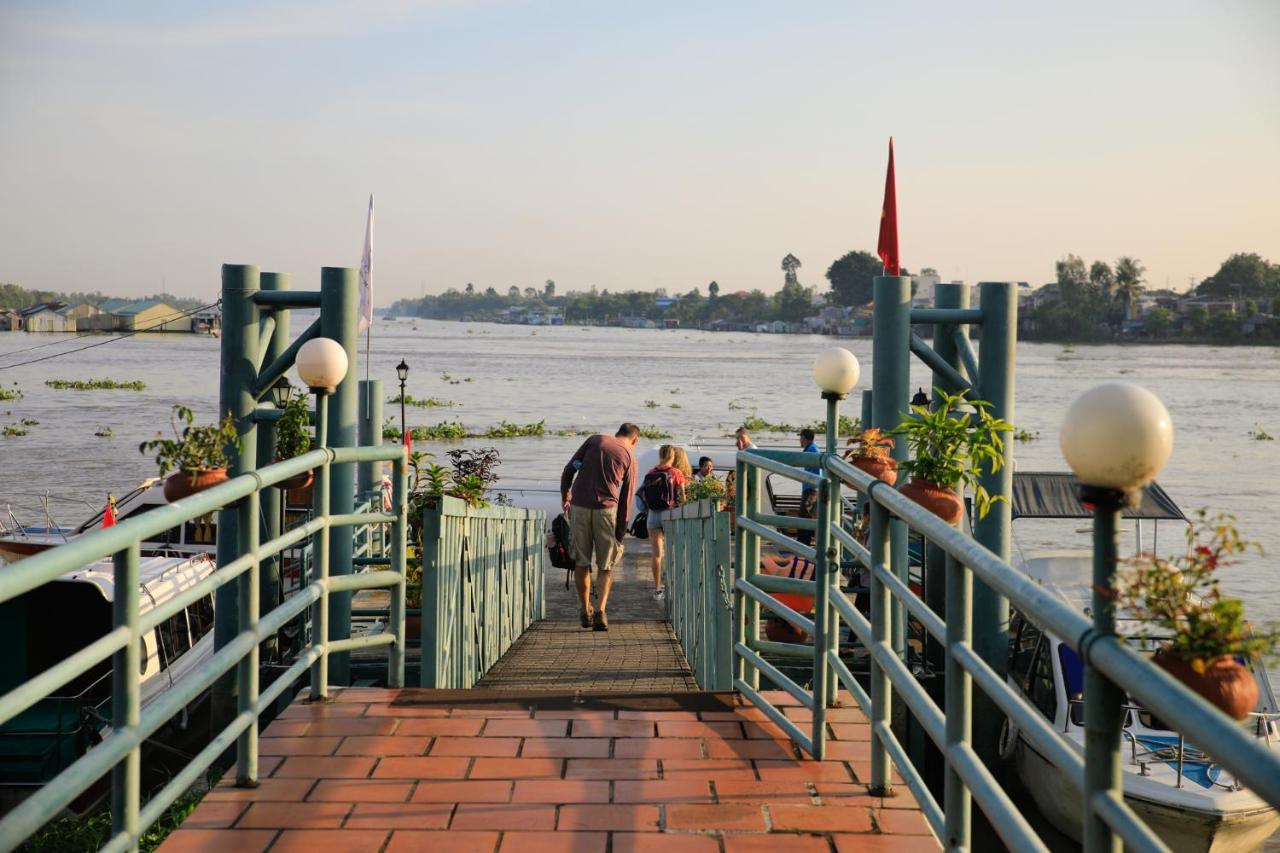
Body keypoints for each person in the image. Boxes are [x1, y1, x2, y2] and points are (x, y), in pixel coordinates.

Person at [561, 423, 640, 631]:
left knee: (581, 561)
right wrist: (621, 530)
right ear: (635, 440)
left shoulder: (595, 440)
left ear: (617, 433)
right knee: (606, 565)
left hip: (579, 507)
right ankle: (600, 611)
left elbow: (569, 470)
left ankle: (584, 608)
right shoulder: (630, 457)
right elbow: (627, 497)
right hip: (607, 511)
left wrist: (565, 496)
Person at [639, 444, 688, 602]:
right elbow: (682, 496)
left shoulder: (651, 472)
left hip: (653, 516)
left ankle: (658, 589)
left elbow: (642, 496)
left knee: (657, 555)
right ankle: (672, 586)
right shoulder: (675, 472)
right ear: (672, 456)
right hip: (670, 514)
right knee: (672, 552)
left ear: (660, 455)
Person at [797, 427, 820, 545]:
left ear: (804, 438)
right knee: (806, 515)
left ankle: (802, 544)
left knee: (805, 515)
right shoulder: (811, 449)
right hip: (810, 488)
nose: (799, 440)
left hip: (811, 489)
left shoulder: (812, 450)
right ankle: (803, 543)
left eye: (800, 437)